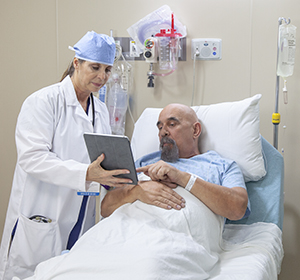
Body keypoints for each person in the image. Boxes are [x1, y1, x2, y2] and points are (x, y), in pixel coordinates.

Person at [0, 31, 135, 280]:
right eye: (95, 67)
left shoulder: (100, 110)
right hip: (42, 212)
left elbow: (100, 158)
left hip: (81, 213)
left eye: (107, 69)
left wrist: (123, 175)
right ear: (76, 63)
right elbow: (32, 158)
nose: (102, 76)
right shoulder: (43, 102)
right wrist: (85, 173)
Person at [100, 103, 250, 221]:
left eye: (172, 124)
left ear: (195, 130)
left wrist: (183, 178)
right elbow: (106, 208)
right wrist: (136, 191)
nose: (163, 132)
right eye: (160, 127)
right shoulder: (143, 164)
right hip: (131, 229)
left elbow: (238, 208)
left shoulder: (221, 166)